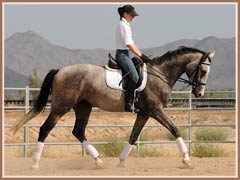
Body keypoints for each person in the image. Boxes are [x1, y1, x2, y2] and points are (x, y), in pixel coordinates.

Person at [115, 5, 151, 112]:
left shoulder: (125, 25)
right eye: (132, 15)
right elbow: (129, 44)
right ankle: (128, 103)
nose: (133, 18)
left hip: (125, 54)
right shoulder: (123, 26)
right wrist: (142, 56)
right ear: (125, 14)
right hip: (122, 54)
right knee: (135, 77)